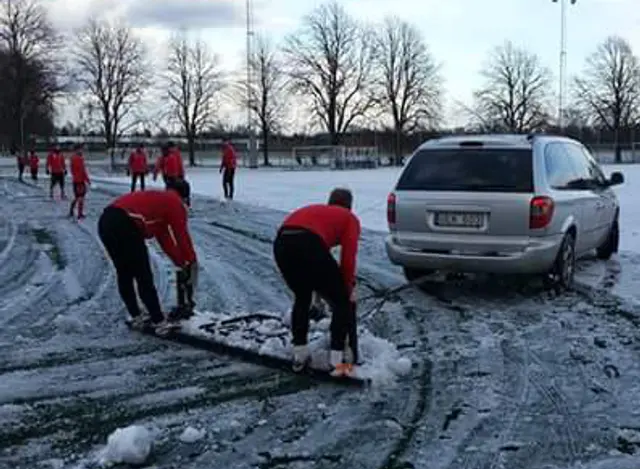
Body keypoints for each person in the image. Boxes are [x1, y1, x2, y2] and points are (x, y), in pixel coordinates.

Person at [273, 187, 361, 377]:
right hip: (309, 243)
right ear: (350, 206)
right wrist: (346, 288)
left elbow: (315, 264)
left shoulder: (318, 211)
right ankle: (337, 362)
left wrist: (321, 284)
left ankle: (300, 354)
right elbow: (348, 259)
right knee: (341, 302)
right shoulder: (349, 218)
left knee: (302, 297)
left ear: (330, 201)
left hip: (282, 243)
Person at [97, 179, 198, 336]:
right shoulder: (175, 203)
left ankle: (136, 315)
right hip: (126, 222)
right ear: (185, 196)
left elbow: (164, 239)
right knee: (143, 273)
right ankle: (160, 322)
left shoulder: (160, 201)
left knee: (124, 272)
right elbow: (181, 235)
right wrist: (190, 261)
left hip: (106, 221)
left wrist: (179, 262)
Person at [68, 144, 90, 219]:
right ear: (77, 150)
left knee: (79, 197)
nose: (82, 151)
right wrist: (86, 179)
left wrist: (86, 179)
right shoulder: (76, 158)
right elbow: (80, 170)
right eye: (80, 149)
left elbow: (82, 170)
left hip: (79, 180)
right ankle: (79, 213)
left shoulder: (77, 158)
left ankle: (73, 211)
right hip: (78, 181)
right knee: (80, 197)